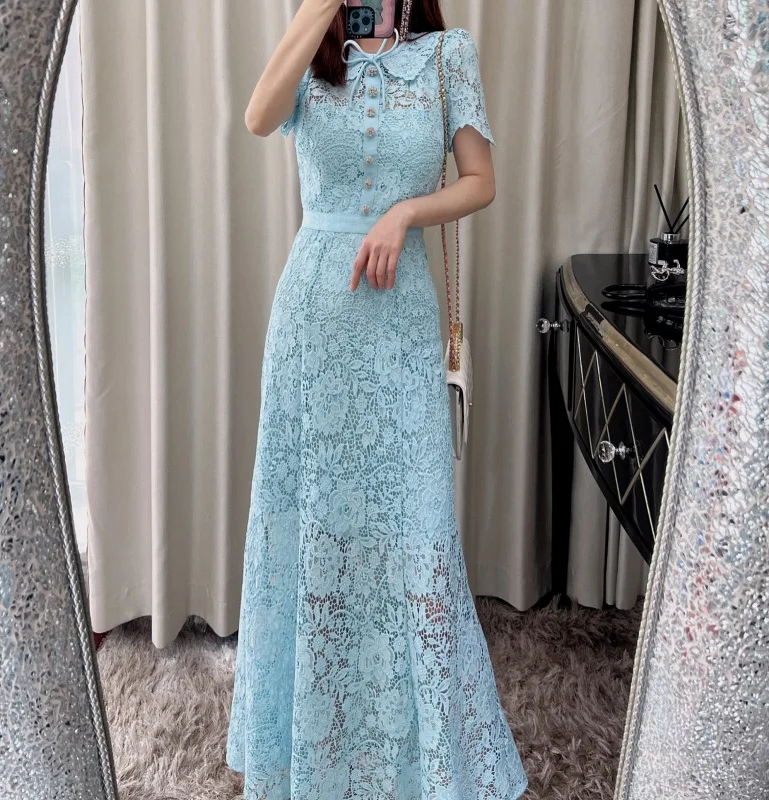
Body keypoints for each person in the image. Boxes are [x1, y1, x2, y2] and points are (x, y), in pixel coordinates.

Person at [226, 1, 528, 797]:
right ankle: (314, 752)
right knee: (314, 528)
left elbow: (481, 182)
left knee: (414, 528)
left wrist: (405, 212)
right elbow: (258, 117)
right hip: (311, 333)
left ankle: (420, 759)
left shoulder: (447, 56)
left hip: (400, 326)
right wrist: (317, 10)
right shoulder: (313, 48)